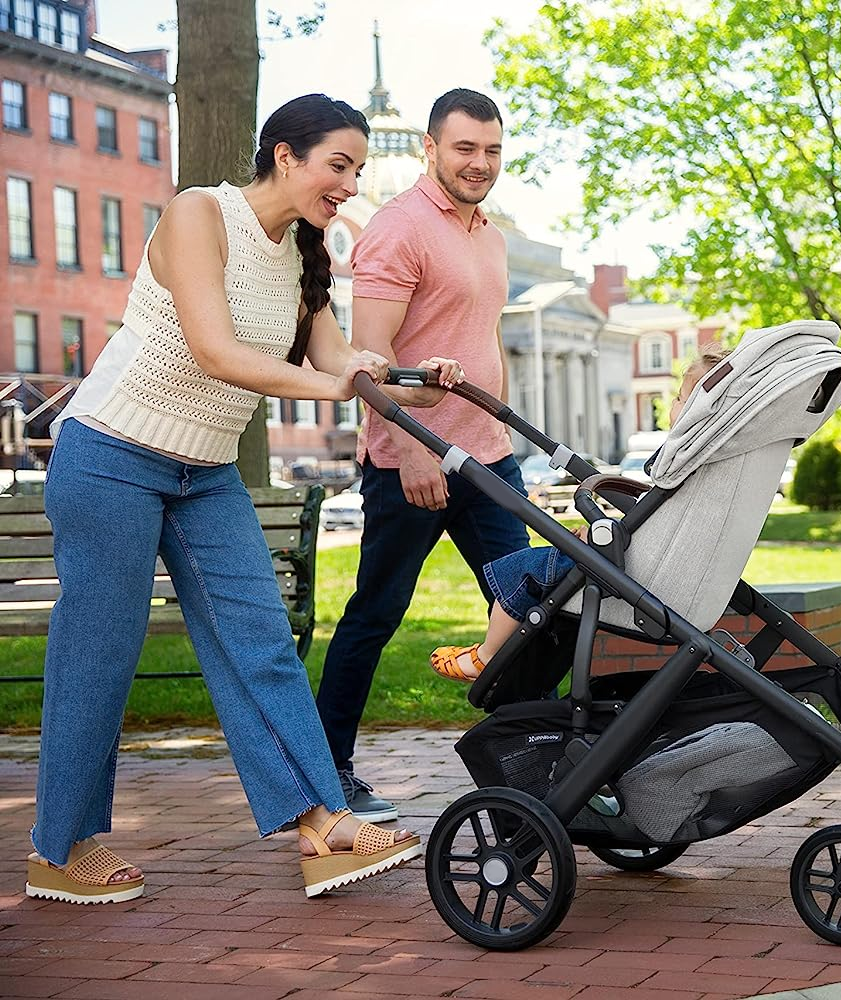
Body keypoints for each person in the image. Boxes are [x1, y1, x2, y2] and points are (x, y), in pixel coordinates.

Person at [26, 95, 460, 904]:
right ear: (285, 155)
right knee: (100, 653)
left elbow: (345, 360)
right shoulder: (200, 214)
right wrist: (339, 383)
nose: (349, 185)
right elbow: (215, 349)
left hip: (205, 471)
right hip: (112, 454)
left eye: (359, 171)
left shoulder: (306, 251)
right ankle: (60, 847)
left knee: (259, 638)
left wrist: (410, 381)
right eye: (339, 165)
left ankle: (322, 825)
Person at [314, 89, 530, 822]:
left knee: (530, 610)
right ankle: (326, 773)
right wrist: (410, 452)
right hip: (416, 461)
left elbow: (480, 339)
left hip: (489, 456)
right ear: (429, 149)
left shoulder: (488, 235)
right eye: (465, 148)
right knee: (376, 612)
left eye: (492, 149)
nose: (480, 162)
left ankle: (538, 769)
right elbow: (371, 360)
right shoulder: (398, 229)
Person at [429, 346, 729, 681]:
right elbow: (663, 521)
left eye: (679, 397)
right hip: (665, 566)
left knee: (522, 568)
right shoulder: (717, 464)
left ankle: (486, 656)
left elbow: (658, 522)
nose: (673, 404)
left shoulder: (680, 457)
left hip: (635, 571)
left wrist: (599, 536)